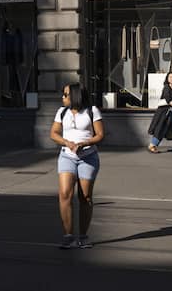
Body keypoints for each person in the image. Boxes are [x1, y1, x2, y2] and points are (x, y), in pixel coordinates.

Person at [49, 82, 105, 249]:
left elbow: (100, 134)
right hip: (67, 156)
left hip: (88, 157)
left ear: (75, 95)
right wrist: (67, 142)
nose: (63, 97)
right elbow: (53, 133)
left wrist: (85, 142)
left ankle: (83, 236)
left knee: (85, 197)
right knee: (65, 194)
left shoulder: (92, 111)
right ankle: (68, 236)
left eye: (65, 94)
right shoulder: (62, 111)